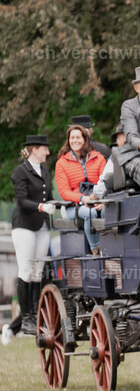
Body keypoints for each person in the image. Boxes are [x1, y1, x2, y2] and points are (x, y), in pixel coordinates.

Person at [2, 136, 54, 345]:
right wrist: (41, 207)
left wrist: (57, 204)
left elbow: (48, 195)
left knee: (37, 272)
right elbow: (22, 200)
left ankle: (33, 314)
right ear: (34, 149)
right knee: (25, 271)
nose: (47, 153)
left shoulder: (45, 171)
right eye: (45, 149)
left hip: (42, 226)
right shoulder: (20, 172)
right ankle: (27, 317)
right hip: (24, 226)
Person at [54, 123, 106, 254]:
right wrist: (83, 199)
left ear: (85, 139)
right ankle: (95, 249)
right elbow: (64, 192)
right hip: (74, 206)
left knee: (108, 212)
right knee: (89, 213)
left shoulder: (99, 158)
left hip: (97, 201)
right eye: (72, 138)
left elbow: (106, 182)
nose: (75, 141)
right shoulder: (61, 163)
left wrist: (102, 200)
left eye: (78, 137)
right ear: (68, 140)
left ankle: (109, 247)